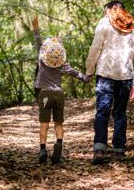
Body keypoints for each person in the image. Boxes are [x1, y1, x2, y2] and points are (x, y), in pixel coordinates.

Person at [86, 0, 134, 164]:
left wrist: (89, 70)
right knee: (120, 113)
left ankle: (99, 150)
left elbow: (95, 47)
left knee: (102, 112)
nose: (106, 14)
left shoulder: (104, 23)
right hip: (126, 76)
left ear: (112, 9)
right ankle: (119, 150)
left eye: (106, 11)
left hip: (105, 74)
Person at [32, 16, 90, 164]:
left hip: (44, 94)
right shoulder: (63, 64)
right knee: (58, 123)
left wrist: (36, 28)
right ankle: (58, 143)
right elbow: (77, 74)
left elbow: (39, 42)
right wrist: (87, 77)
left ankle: (43, 149)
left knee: (44, 124)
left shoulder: (42, 58)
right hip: (59, 95)